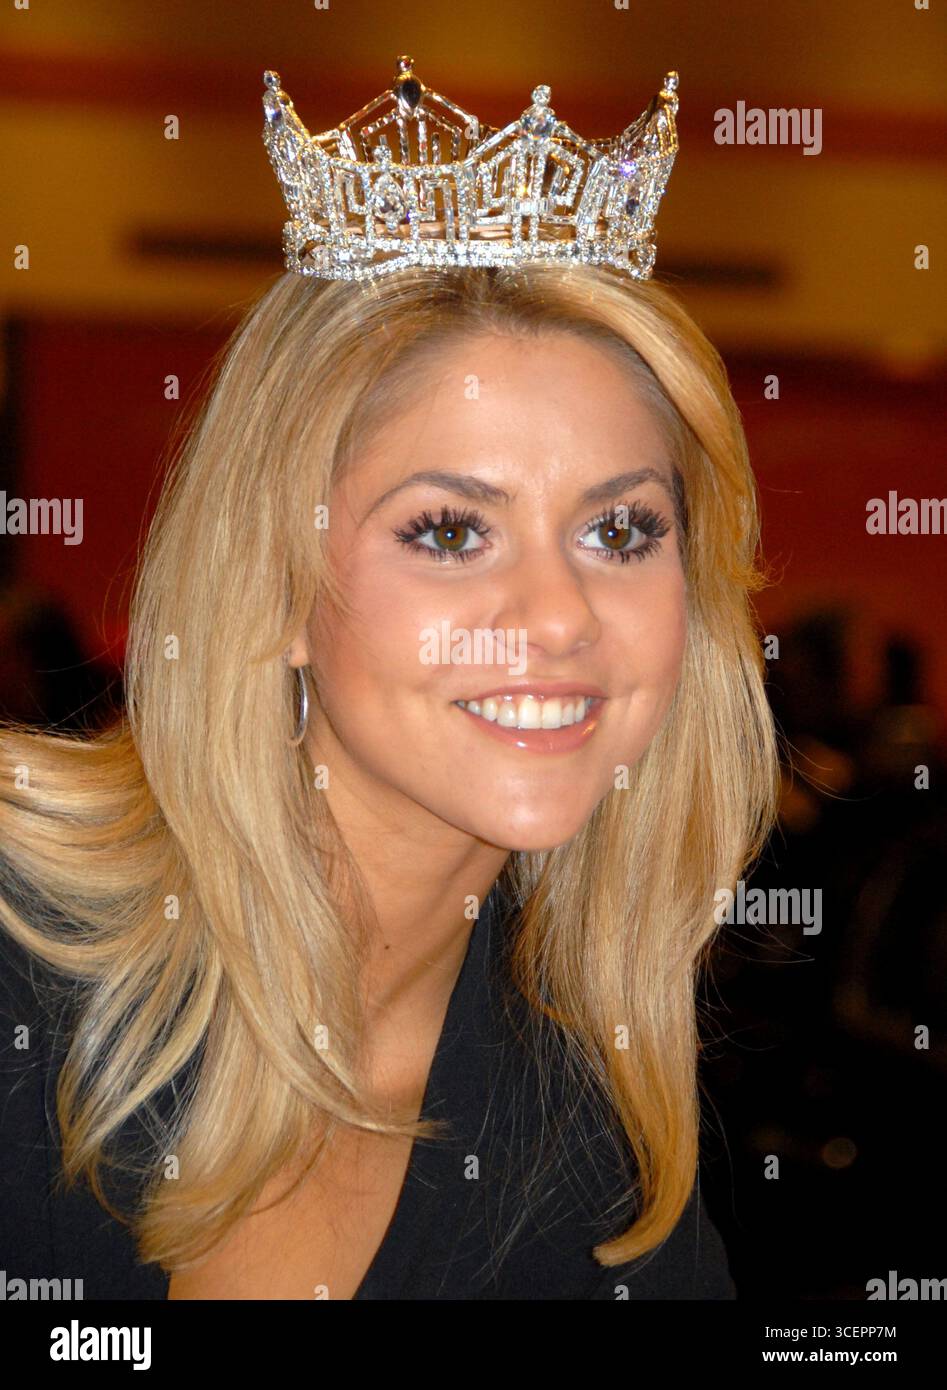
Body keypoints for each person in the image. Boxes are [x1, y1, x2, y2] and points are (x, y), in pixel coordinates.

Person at [0, 61, 778, 1301]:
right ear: (276, 581)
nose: (560, 616)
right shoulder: (24, 958)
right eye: (451, 530)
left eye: (620, 531)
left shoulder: (588, 1140)